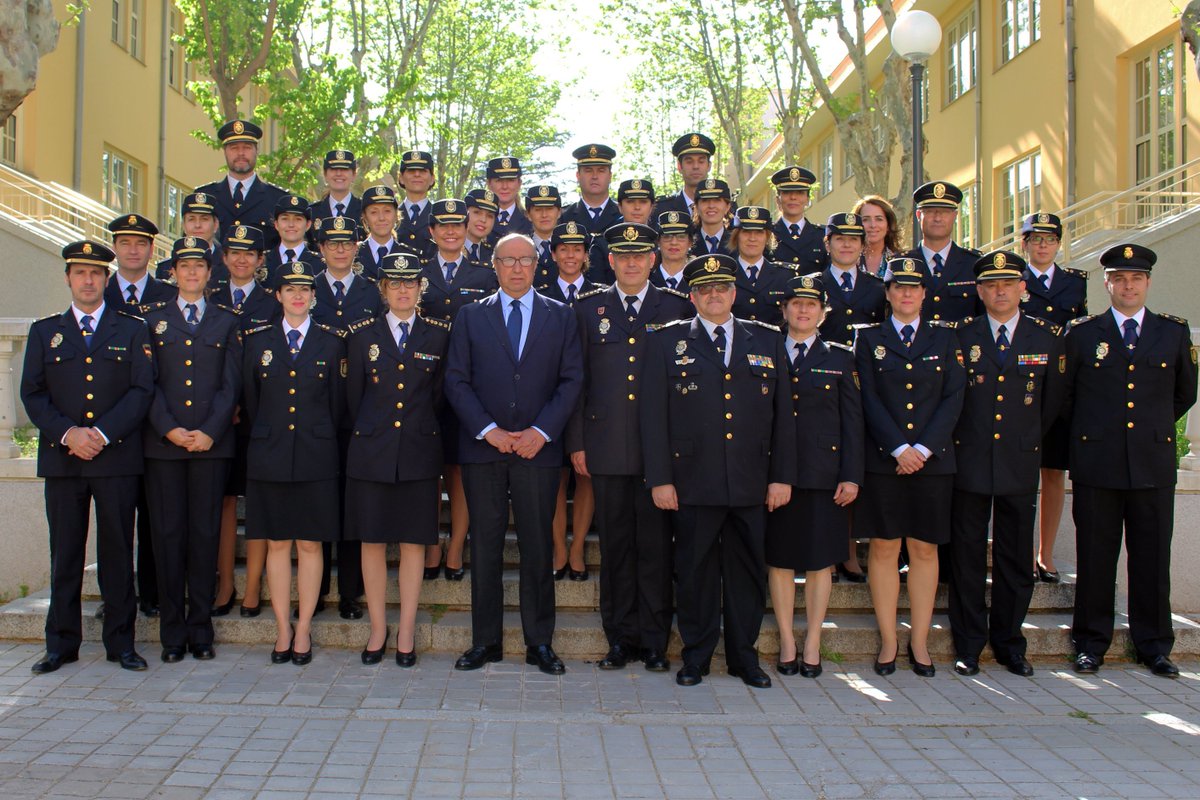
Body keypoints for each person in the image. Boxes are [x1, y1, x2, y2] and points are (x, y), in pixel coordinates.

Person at [641, 254, 796, 689]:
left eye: (722, 288)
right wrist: (661, 479)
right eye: (705, 289)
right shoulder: (667, 342)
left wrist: (782, 476)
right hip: (692, 480)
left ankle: (744, 658)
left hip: (751, 480)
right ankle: (696, 657)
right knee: (694, 573)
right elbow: (653, 418)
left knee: (747, 574)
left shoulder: (766, 340)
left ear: (734, 293)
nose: (714, 295)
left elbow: (784, 416)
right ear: (692, 296)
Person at [445, 234, 583, 675]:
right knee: (483, 545)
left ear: (537, 264)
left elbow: (571, 380)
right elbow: (456, 381)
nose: (517, 268)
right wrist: (489, 430)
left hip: (537, 451)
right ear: (495, 265)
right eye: (508, 260)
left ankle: (539, 642)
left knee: (538, 546)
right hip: (484, 449)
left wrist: (540, 432)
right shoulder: (470, 316)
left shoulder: (561, 316)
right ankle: (485, 642)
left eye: (526, 260)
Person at [21, 240, 155, 674]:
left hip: (115, 458)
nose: (88, 280)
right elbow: (33, 394)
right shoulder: (45, 332)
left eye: (96, 273)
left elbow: (141, 390)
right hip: (64, 459)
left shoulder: (131, 329)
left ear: (105, 279)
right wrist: (69, 434)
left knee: (117, 552)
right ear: (68, 278)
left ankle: (121, 643)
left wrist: (99, 433)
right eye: (80, 272)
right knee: (66, 553)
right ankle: (60, 644)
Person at [1065, 243, 1197, 678]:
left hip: (1151, 461)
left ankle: (1154, 645)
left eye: (1135, 278)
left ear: (1147, 283)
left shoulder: (1173, 333)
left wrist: (1148, 431)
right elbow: (1066, 399)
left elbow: (1184, 394)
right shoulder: (1082, 334)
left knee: (1152, 558)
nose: (1127, 286)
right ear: (1107, 284)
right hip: (1097, 462)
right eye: (1119, 278)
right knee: (1095, 558)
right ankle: (1090, 643)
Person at [569, 223, 693, 671]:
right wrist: (578, 442)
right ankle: (619, 639)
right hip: (605, 448)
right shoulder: (588, 309)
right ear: (611, 262)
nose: (632, 263)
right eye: (623, 257)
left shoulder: (676, 306)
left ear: (653, 260)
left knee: (656, 550)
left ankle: (655, 642)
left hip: (660, 454)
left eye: (640, 256)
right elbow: (576, 381)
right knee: (616, 548)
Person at [948, 251, 1065, 678]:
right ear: (979, 291)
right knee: (967, 556)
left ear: (1023, 289)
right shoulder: (961, 335)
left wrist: (1024, 439)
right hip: (970, 459)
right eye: (991, 285)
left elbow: (1052, 403)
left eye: (1007, 284)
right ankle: (969, 644)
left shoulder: (1048, 336)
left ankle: (1010, 643)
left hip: (1019, 459)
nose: (999, 291)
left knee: (1016, 558)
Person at [854, 257, 965, 677]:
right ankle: (887, 640)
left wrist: (921, 448)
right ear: (887, 293)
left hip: (932, 463)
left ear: (924, 294)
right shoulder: (868, 340)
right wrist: (899, 447)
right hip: (885, 462)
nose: (905, 294)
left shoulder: (944, 339)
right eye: (897, 287)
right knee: (883, 548)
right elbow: (868, 400)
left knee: (924, 549)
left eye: (913, 288)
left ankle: (918, 641)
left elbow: (954, 397)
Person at [344, 252, 451, 667]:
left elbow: (440, 398)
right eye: (395, 283)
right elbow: (353, 400)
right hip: (370, 452)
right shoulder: (360, 336)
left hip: (420, 453)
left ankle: (406, 630)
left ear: (420, 289)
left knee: (412, 544)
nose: (403, 290)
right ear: (383, 289)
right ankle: (377, 627)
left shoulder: (439, 335)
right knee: (371, 542)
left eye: (411, 283)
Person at [140, 237, 243, 663]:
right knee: (167, 537)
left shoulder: (226, 320)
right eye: (184, 267)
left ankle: (200, 629)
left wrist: (209, 432)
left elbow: (231, 385)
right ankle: (171, 633)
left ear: (209, 271)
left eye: (199, 266)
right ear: (173, 273)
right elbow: (145, 383)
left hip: (210, 446)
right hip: (164, 448)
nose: (192, 273)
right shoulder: (152, 320)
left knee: (203, 536)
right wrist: (170, 429)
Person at [242, 261, 346, 665]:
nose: (298, 296)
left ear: (314, 297)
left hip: (316, 456)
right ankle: (282, 627)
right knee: (277, 543)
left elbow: (337, 406)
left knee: (309, 543)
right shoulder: (256, 341)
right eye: (290, 290)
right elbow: (251, 402)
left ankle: (303, 628)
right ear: (278, 296)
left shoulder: (332, 342)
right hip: (269, 456)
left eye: (305, 290)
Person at [768, 274, 863, 678]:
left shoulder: (840, 356)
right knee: (781, 561)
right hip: (776, 474)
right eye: (796, 303)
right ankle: (788, 640)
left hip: (825, 475)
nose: (803, 310)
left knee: (821, 562)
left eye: (812, 305)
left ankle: (813, 642)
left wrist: (852, 475)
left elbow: (853, 422)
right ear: (784, 309)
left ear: (824, 313)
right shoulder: (766, 348)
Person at [421, 199, 501, 581]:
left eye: (458, 226)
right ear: (432, 232)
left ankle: (455, 545)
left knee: (461, 468)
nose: (452, 232)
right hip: (425, 383)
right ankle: (431, 544)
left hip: (470, 384)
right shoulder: (417, 273)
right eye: (443, 227)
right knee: (430, 467)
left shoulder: (485, 275)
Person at [103, 213, 174, 620]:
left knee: (153, 516)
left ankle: (151, 592)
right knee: (114, 522)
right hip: (111, 422)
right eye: (125, 242)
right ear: (115, 247)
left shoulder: (168, 293)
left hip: (155, 421)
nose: (133, 249)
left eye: (141, 243)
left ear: (151, 250)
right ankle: (116, 596)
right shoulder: (100, 291)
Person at [311, 215, 379, 620]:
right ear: (320, 248)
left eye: (347, 243)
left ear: (358, 247)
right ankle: (316, 590)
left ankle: (350, 592)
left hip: (359, 407)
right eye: (331, 243)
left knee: (353, 505)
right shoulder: (306, 288)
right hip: (314, 406)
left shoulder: (373, 291)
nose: (339, 249)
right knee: (320, 503)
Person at [210, 225, 279, 618]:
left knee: (258, 502)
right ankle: (223, 583)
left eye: (250, 253)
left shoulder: (272, 304)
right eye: (234, 253)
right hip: (217, 421)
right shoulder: (211, 298)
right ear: (223, 259)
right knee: (222, 501)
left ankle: (252, 585)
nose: (241, 259)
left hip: (259, 419)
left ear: (260, 260)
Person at [1019, 212, 1087, 583]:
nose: (1043, 245)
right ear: (1024, 243)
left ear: (1059, 243)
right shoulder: (1013, 280)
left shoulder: (1074, 284)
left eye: (1049, 238)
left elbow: (1078, 334)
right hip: (1021, 388)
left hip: (1060, 388)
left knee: (1054, 472)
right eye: (1035, 238)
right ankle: (1023, 551)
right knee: (1021, 473)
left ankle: (1046, 553)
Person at [818, 213, 884, 583]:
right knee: (827, 466)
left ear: (863, 245)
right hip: (822, 384)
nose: (846, 244)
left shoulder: (877, 288)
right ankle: (831, 548)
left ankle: (850, 549)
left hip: (866, 382)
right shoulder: (812, 285)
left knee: (856, 463)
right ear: (827, 244)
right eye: (839, 238)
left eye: (854, 239)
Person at [537, 221, 600, 581]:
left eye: (578, 249)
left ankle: (577, 548)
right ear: (554, 253)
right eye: (564, 249)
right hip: (550, 399)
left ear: (586, 256)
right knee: (556, 478)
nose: (571, 255)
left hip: (591, 400)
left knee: (585, 474)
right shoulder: (540, 294)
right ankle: (559, 546)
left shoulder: (601, 294)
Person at [193, 119, 288, 243]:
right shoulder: (206, 196)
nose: (241, 153)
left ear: (257, 151)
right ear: (225, 152)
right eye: (234, 148)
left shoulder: (277, 199)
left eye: (247, 147)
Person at [903, 181, 981, 323]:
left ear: (955, 215)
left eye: (945, 211)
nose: (937, 218)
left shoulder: (974, 264)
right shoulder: (902, 263)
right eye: (931, 211)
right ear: (918, 215)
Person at [727, 205, 792, 327]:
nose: (752, 238)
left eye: (759, 232)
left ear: (767, 237)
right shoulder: (724, 275)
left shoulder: (784, 276)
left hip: (773, 345)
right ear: (737, 236)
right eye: (746, 232)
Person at [587, 179, 653, 284]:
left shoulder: (663, 240)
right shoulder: (602, 243)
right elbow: (597, 286)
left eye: (643, 202)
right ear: (620, 207)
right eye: (630, 202)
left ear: (651, 207)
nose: (637, 207)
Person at [154, 192, 225, 283]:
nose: (197, 225)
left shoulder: (229, 265)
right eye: (191, 219)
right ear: (183, 225)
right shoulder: (166, 267)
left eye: (204, 219)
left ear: (215, 225)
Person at [769, 167, 829, 272]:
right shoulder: (767, 234)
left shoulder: (823, 235)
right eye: (787, 192)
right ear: (778, 199)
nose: (793, 197)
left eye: (800, 192)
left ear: (808, 199)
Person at [561, 144, 621, 236]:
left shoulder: (623, 214)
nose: (595, 176)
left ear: (610, 176)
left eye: (601, 170)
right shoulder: (563, 217)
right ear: (578, 175)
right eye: (588, 170)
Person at [655, 132, 716, 218]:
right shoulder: (661, 208)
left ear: (709, 166)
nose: (695, 166)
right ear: (679, 166)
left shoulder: (723, 208)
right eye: (689, 161)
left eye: (701, 161)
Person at [263, 195, 323, 283]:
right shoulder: (262, 261)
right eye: (285, 219)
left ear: (308, 225)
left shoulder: (321, 264)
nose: (291, 224)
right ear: (276, 224)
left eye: (298, 219)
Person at [355, 186, 405, 279]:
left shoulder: (407, 255)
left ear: (396, 215)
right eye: (374, 212)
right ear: (365, 217)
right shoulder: (352, 255)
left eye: (387, 211)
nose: (381, 218)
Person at [396, 149, 437, 257]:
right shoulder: (391, 216)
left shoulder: (439, 215)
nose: (417, 174)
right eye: (411, 170)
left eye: (423, 171)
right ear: (401, 178)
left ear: (432, 179)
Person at [311, 150, 362, 233]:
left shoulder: (365, 211)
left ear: (353, 175)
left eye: (344, 169)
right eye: (333, 169)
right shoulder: (312, 212)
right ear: (325, 174)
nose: (338, 173)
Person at [852, 195, 901, 278]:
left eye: (879, 219)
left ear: (888, 225)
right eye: (865, 219)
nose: (873, 225)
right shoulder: (847, 259)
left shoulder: (900, 261)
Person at [486, 156, 533, 241]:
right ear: (489, 184)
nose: (505, 187)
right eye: (499, 180)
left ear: (519, 183)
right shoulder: (478, 221)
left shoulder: (531, 220)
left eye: (510, 180)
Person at [525, 184, 563, 286]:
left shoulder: (568, 247)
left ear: (559, 212)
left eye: (550, 209)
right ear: (528, 214)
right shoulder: (521, 247)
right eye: (538, 209)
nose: (544, 215)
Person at [688, 179, 734, 257]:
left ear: (727, 207)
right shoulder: (687, 242)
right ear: (696, 207)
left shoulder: (737, 243)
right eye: (705, 200)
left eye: (717, 200)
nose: (711, 206)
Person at [649, 210, 692, 292]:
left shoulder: (697, 282)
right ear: (658, 242)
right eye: (667, 237)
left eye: (681, 237)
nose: (674, 242)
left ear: (690, 242)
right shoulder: (646, 280)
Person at [464, 189, 499, 267]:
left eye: (490, 216)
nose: (483, 220)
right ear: (465, 213)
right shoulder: (447, 248)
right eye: (477, 212)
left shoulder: (495, 254)